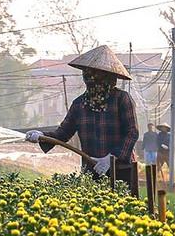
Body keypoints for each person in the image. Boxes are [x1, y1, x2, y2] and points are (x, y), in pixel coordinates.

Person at [25, 45, 139, 181]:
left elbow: (132, 132)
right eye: (88, 73)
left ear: (109, 77)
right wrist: (42, 136)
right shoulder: (79, 104)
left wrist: (111, 158)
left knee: (124, 202)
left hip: (121, 169)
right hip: (92, 169)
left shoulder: (121, 99)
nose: (91, 78)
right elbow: (63, 133)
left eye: (96, 74)